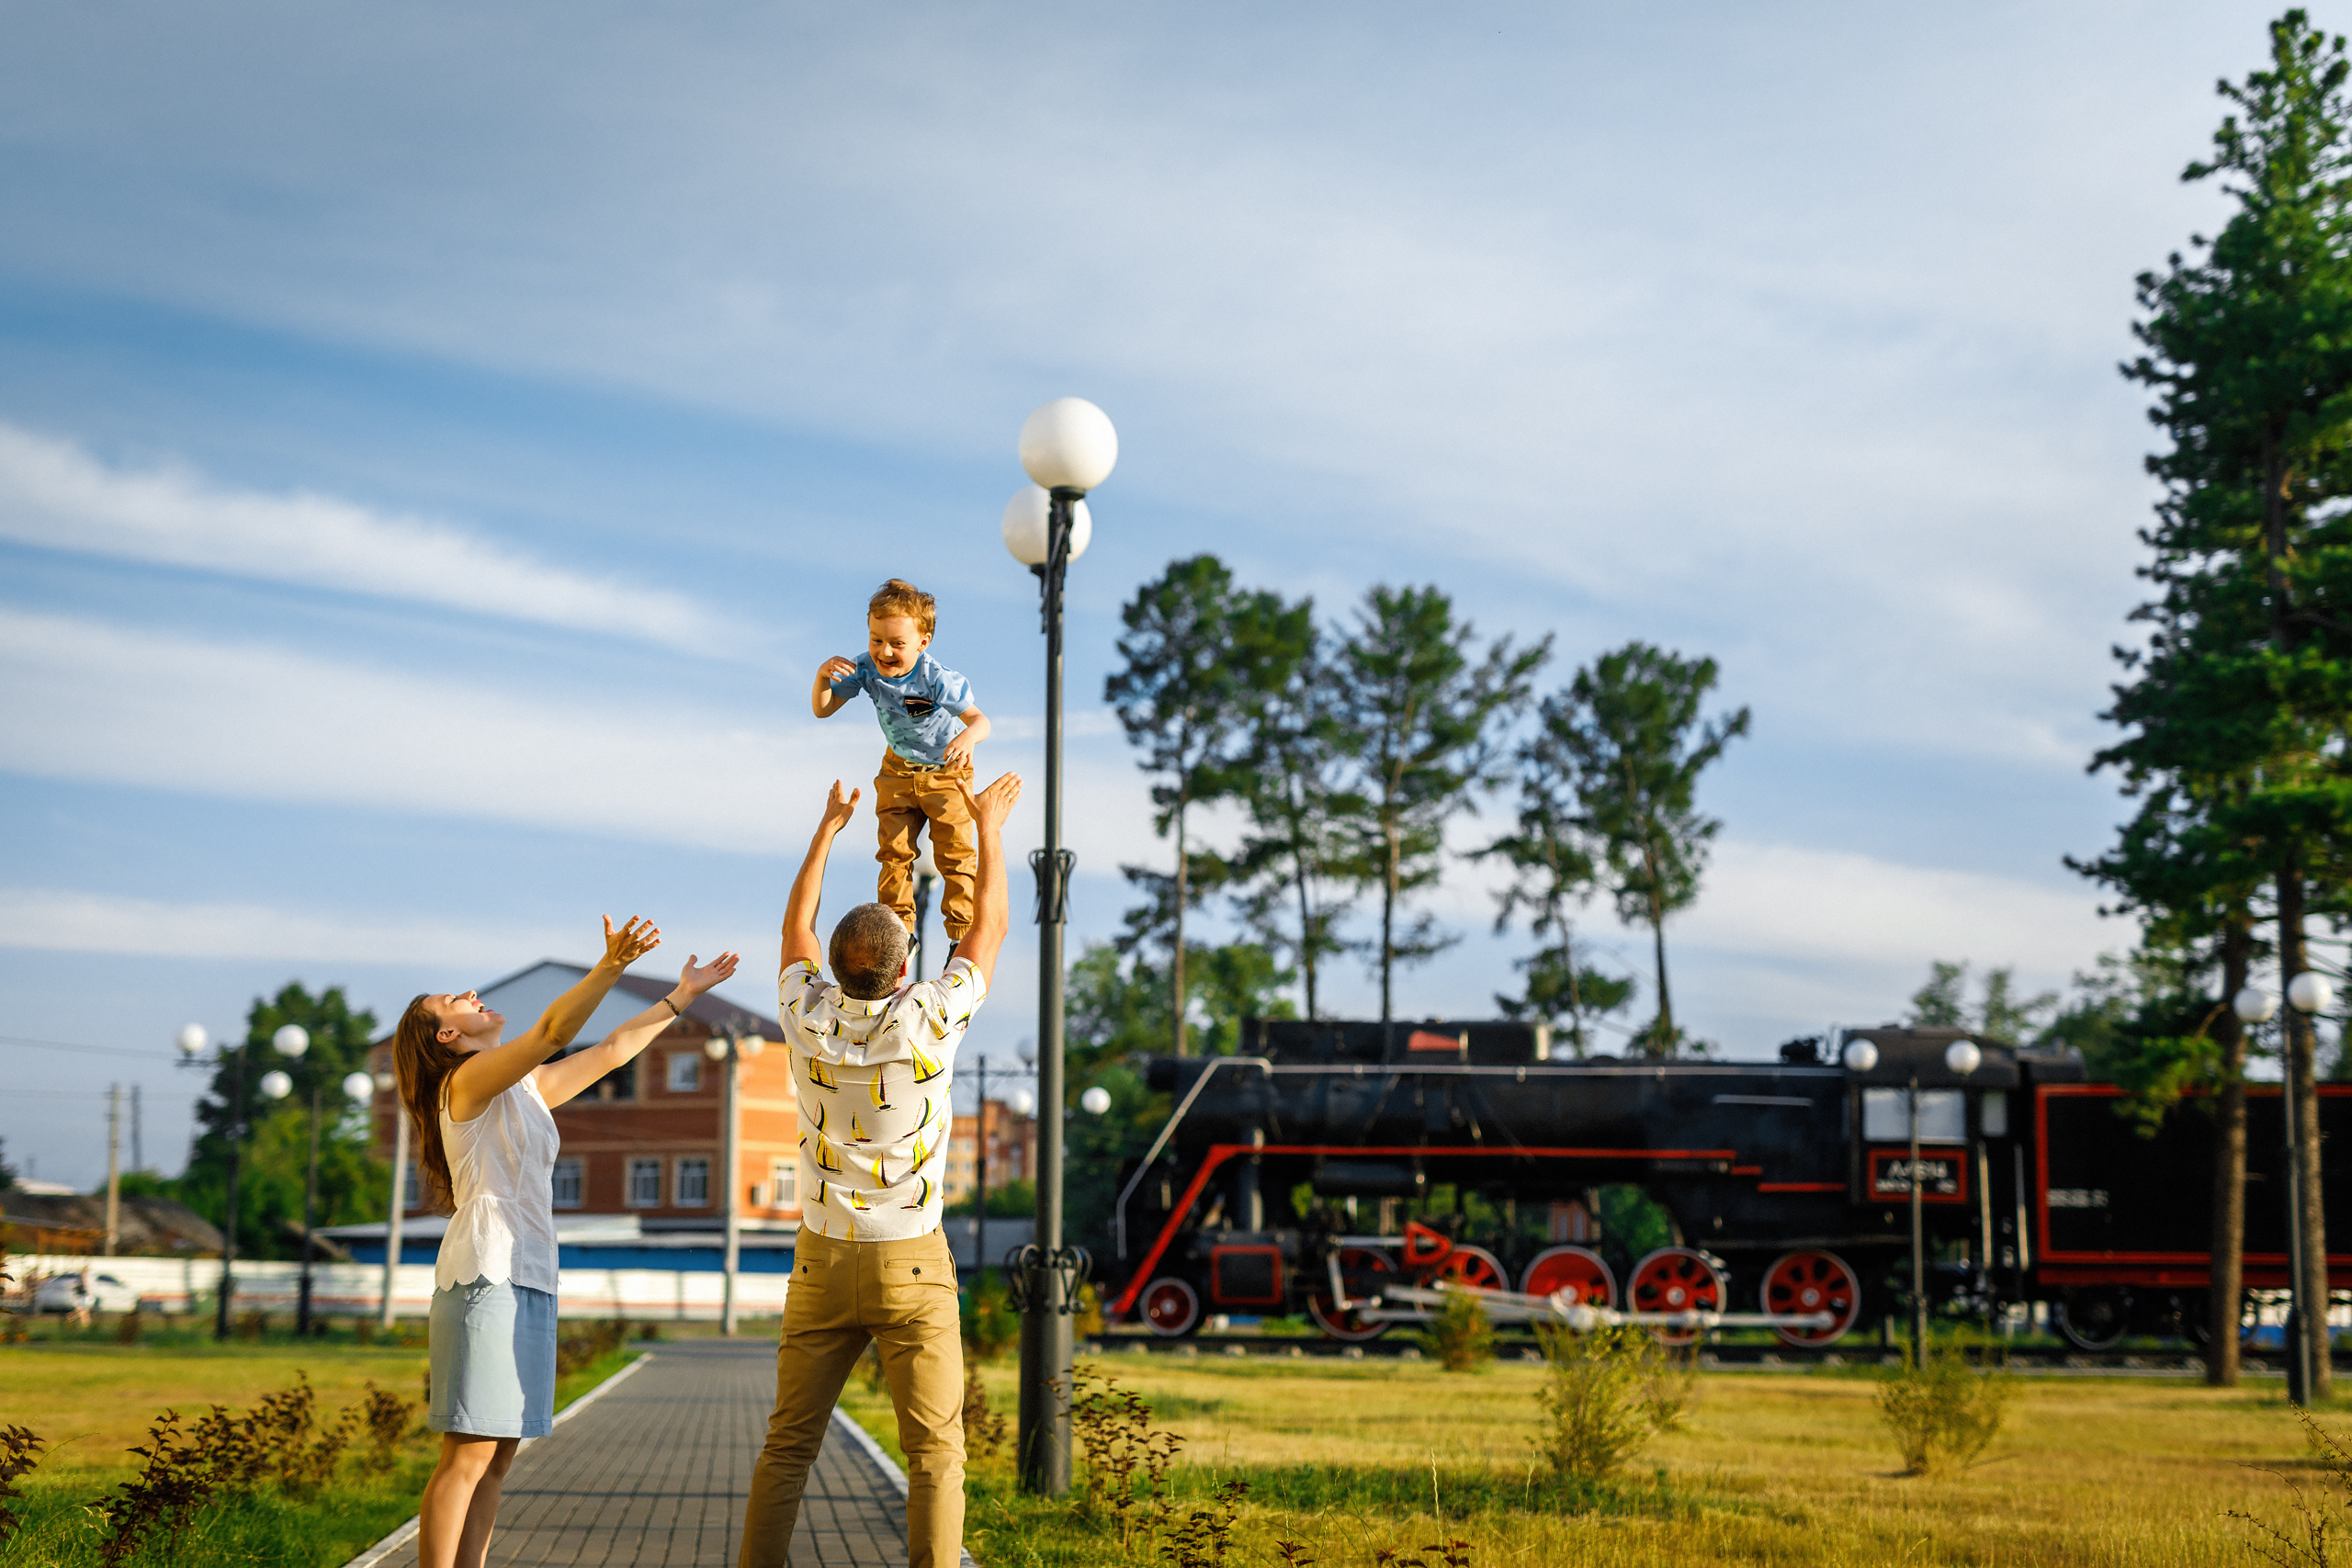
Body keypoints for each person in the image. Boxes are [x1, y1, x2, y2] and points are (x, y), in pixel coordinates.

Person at [392, 917, 740, 1568]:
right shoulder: (461, 1084)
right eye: (452, 1001)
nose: (470, 992)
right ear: (447, 1035)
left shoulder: (524, 1087)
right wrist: (608, 967)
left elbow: (609, 1051)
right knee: (467, 1453)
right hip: (484, 1279)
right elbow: (553, 1032)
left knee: (498, 1455)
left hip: (528, 1276)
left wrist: (681, 998)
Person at [740, 768, 1022, 1568]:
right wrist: (988, 826)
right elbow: (990, 929)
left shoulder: (806, 1013)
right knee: (935, 1454)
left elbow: (795, 923)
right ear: (904, 972)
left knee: (787, 1447)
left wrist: (830, 827)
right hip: (912, 1264)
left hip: (822, 1261)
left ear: (834, 967)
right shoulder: (930, 1017)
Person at [810, 578, 991, 954]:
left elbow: (980, 721)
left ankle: (961, 935)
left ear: (923, 643)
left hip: (946, 772)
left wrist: (967, 738)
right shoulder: (864, 668)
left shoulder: (935, 678)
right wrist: (822, 677)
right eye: (877, 640)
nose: (885, 651)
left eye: (897, 644)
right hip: (897, 770)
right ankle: (900, 932)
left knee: (954, 854)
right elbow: (823, 709)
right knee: (893, 852)